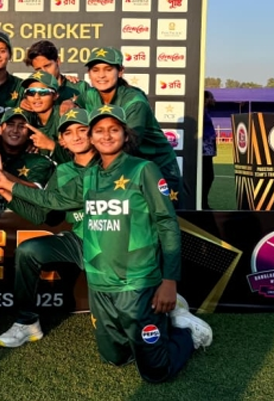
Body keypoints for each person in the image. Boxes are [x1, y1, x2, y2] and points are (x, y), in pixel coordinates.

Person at [78, 105, 212, 383]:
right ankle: (157, 326)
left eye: (114, 129)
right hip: (100, 284)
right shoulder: (90, 174)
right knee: (115, 358)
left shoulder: (144, 169)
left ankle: (186, 332)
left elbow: (167, 224)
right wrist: (7, 184)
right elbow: (52, 200)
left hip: (138, 282)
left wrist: (169, 281)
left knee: (156, 372)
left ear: (126, 135)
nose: (106, 136)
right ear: (90, 137)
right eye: (99, 130)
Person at [0, 108, 98, 347]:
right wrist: (4, 192)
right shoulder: (63, 170)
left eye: (83, 130)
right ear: (62, 140)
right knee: (28, 251)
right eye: (69, 132)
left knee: (117, 334)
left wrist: (10, 184)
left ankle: (169, 301)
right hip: (79, 240)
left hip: (111, 245)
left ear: (93, 134)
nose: (76, 136)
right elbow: (41, 215)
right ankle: (27, 322)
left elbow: (59, 201)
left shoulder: (108, 164)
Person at [75, 47, 188, 209]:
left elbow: (128, 144)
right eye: (95, 70)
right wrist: (68, 103)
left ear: (120, 71)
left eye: (108, 69)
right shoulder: (90, 94)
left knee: (165, 216)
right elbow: (74, 103)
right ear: (89, 73)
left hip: (157, 165)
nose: (101, 75)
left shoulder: (135, 101)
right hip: (127, 165)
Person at [23, 40, 88, 111]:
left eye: (47, 66)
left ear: (58, 61)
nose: (44, 72)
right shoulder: (30, 92)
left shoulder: (80, 87)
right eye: (38, 69)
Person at [201, 90, 217, 210]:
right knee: (207, 176)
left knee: (208, 176)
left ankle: (203, 202)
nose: (214, 100)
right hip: (203, 149)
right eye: (211, 98)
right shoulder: (201, 112)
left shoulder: (206, 111)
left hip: (207, 149)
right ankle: (202, 203)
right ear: (205, 99)